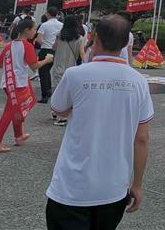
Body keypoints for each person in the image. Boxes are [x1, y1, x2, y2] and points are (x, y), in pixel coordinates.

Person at [45, 15, 153, 230]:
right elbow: (141, 138)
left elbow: (58, 109)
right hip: (114, 189)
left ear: (94, 38)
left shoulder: (75, 75)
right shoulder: (139, 82)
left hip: (71, 188)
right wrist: (137, 185)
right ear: (125, 43)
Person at [0, 18, 53, 153]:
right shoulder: (27, 45)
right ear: (26, 30)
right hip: (18, 83)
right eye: (34, 29)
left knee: (14, 108)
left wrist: (11, 67)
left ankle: (19, 136)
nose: (35, 32)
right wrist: (47, 60)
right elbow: (34, 65)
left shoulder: (9, 45)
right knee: (9, 112)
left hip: (9, 82)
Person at [50, 15, 86, 127]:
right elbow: (82, 54)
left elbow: (54, 47)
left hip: (58, 66)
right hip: (72, 68)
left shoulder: (59, 36)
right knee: (68, 92)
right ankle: (64, 116)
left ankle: (55, 112)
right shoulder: (79, 38)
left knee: (57, 89)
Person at [35, 7, 63, 103]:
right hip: (58, 51)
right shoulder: (62, 25)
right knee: (53, 72)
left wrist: (44, 43)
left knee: (43, 72)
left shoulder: (44, 25)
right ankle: (51, 91)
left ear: (48, 14)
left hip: (46, 50)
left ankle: (45, 95)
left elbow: (39, 39)